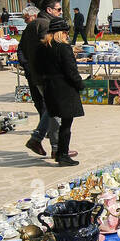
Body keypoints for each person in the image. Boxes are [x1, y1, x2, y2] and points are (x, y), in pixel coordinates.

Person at [18, 0, 64, 157]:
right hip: (47, 75)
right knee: (55, 109)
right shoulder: (45, 25)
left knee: (51, 108)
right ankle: (56, 148)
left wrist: (28, 67)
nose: (61, 12)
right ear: (49, 10)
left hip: (36, 73)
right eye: (58, 9)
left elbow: (21, 49)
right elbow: (49, 50)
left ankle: (38, 139)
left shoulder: (31, 26)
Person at [35, 19, 84, 166]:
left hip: (50, 88)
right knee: (66, 124)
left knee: (59, 120)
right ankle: (62, 154)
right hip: (65, 89)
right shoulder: (63, 48)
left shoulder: (43, 47)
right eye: (66, 33)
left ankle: (60, 153)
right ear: (61, 33)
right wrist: (80, 84)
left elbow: (38, 68)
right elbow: (71, 70)